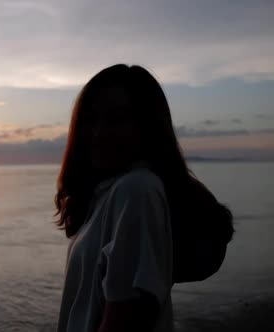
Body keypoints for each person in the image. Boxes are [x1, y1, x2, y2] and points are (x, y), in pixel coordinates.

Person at [54, 64, 232, 332]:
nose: (99, 132)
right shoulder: (110, 193)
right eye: (91, 119)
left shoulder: (137, 190)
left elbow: (128, 318)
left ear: (148, 126)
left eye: (117, 119)